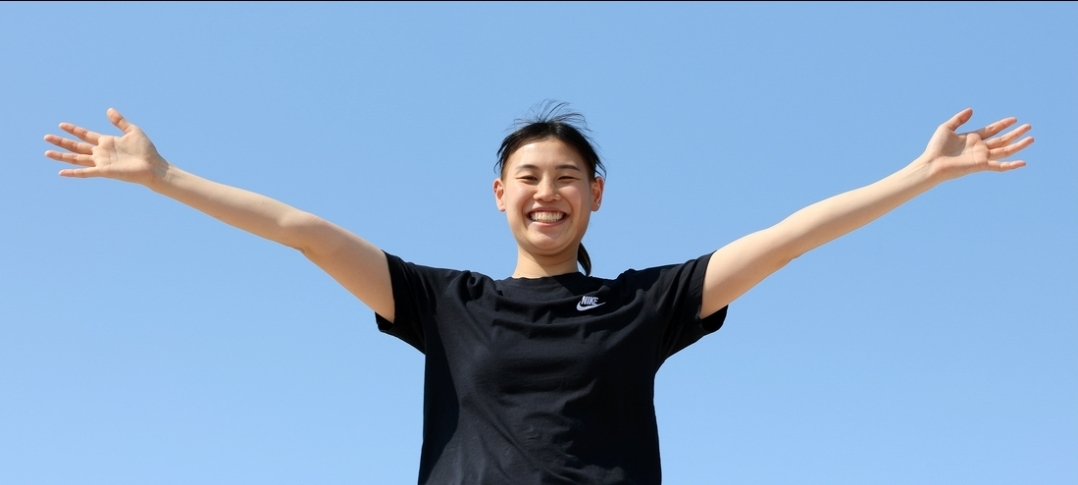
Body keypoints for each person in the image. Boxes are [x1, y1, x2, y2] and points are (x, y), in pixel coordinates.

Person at [43, 104, 1032, 484]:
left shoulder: (644, 302)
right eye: (528, 175)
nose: (546, 191)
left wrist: (918, 175)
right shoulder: (443, 301)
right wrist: (164, 176)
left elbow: (788, 238)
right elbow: (303, 230)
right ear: (498, 194)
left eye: (566, 176)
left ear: (596, 195)